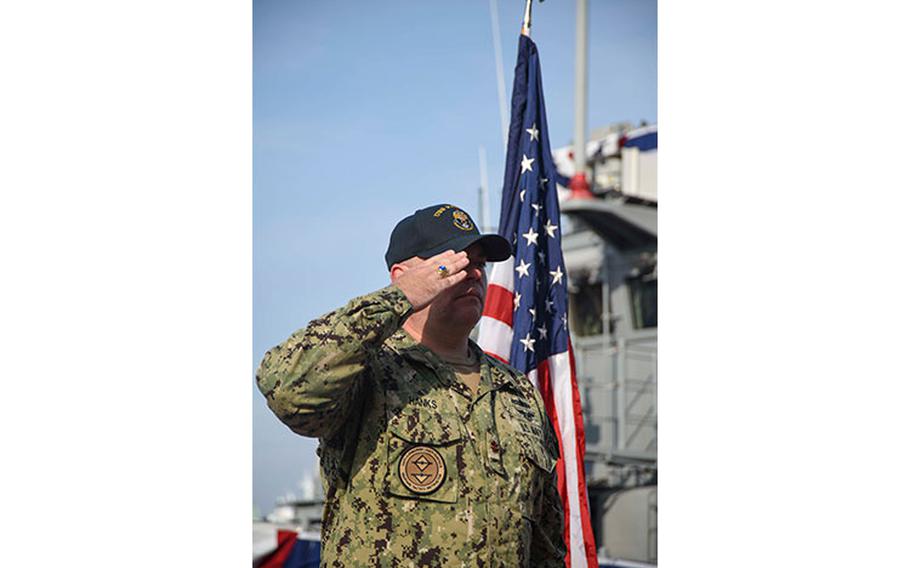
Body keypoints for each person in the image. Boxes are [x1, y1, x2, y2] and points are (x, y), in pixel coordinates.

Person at [256, 204, 565, 567]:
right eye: (453, 263)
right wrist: (400, 298)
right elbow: (286, 387)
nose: (473, 274)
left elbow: (545, 542)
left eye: (479, 264)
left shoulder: (517, 393)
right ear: (402, 275)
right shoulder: (366, 369)